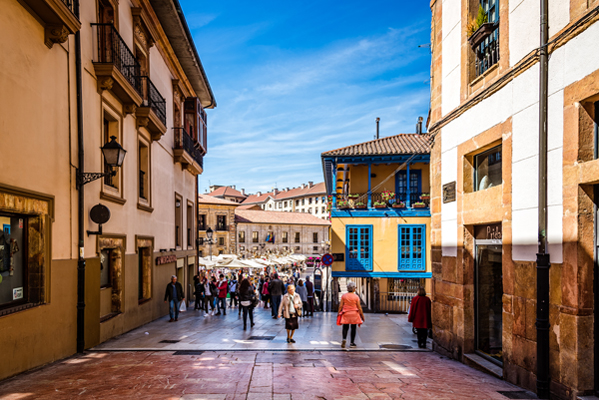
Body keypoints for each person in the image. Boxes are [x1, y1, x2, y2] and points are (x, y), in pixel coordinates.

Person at [337, 281, 364, 348]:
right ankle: (352, 343)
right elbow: (359, 307)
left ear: (347, 288)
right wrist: (362, 316)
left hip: (346, 313)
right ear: (354, 289)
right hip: (354, 314)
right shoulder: (356, 297)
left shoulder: (344, 296)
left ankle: (344, 339)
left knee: (345, 327)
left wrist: (338, 313)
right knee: (353, 328)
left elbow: (340, 306)